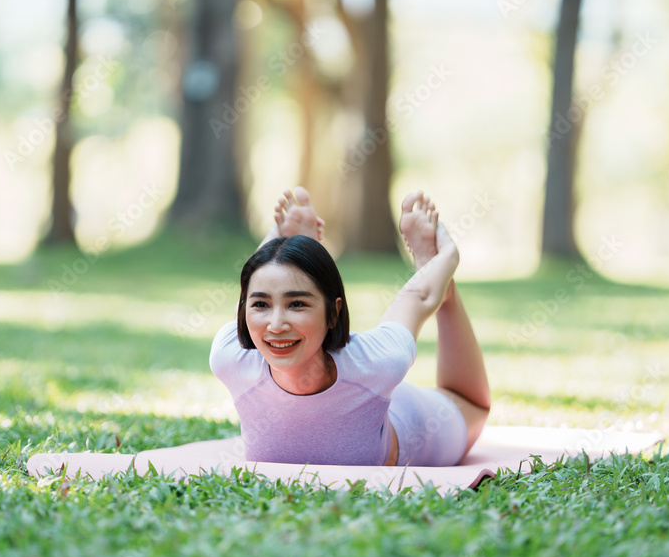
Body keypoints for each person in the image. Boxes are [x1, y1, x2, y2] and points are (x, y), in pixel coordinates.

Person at [209, 187, 490, 467]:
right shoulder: (230, 357)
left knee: (474, 404)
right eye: (262, 306)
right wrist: (278, 242)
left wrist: (448, 258)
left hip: (407, 414)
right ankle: (301, 254)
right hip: (375, 391)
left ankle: (439, 279)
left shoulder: (377, 362)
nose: (276, 325)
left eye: (297, 304)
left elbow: (418, 298)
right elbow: (250, 295)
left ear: (334, 313)